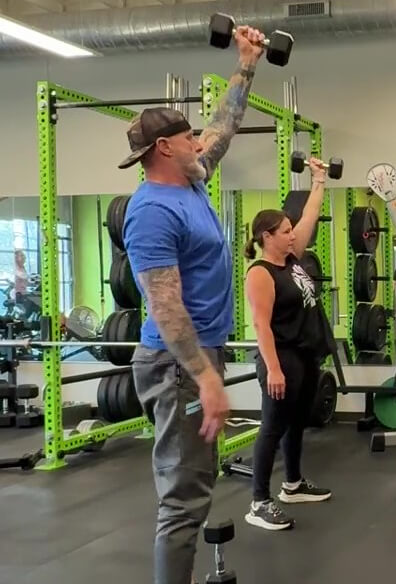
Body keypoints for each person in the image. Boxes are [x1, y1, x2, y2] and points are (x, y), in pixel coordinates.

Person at [119, 25, 266, 584]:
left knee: (194, 488)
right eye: (188, 139)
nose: (199, 143)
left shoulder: (193, 180)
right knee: (183, 499)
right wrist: (205, 378)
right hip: (177, 365)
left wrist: (247, 62)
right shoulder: (153, 210)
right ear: (164, 148)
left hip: (198, 358)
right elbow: (164, 306)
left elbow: (222, 128)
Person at [241, 164, 333, 531]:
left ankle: (292, 484)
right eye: (285, 231)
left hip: (305, 353)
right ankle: (259, 502)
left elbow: (309, 216)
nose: (293, 235)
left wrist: (319, 182)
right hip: (282, 358)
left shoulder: (292, 261)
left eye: (292, 231)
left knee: (297, 422)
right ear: (267, 236)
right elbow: (261, 325)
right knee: (272, 428)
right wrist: (274, 369)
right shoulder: (261, 273)